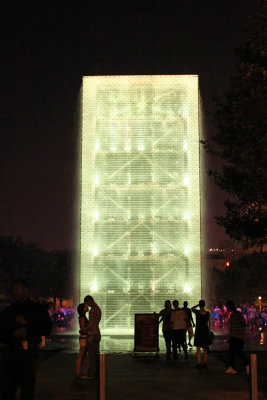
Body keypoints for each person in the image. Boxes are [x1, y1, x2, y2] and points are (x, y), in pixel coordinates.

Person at [0, 279, 52, 400]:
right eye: (13, 289)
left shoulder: (37, 310)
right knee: (6, 389)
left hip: (29, 354)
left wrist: (28, 327)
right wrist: (13, 335)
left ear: (25, 290)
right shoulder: (9, 311)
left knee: (27, 388)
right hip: (11, 353)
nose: (14, 292)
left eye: (17, 289)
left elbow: (47, 329)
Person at [224, 300, 249, 375]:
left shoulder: (238, 314)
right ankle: (232, 368)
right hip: (233, 336)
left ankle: (247, 364)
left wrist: (243, 335)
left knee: (239, 352)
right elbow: (231, 327)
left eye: (227, 306)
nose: (226, 308)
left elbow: (244, 324)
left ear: (229, 306)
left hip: (239, 336)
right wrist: (229, 336)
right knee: (231, 352)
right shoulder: (232, 315)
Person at [84, 295, 102, 379]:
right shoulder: (98, 308)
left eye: (87, 303)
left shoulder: (93, 310)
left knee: (91, 356)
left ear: (90, 301)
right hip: (97, 333)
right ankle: (96, 373)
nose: (87, 305)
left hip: (93, 334)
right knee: (95, 355)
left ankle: (91, 374)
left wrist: (84, 329)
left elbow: (92, 324)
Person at [191, 300, 210, 369]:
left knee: (198, 348)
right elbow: (208, 324)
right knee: (205, 348)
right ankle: (205, 363)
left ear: (199, 305)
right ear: (204, 305)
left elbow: (192, 308)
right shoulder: (208, 313)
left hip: (199, 331)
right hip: (205, 331)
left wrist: (197, 305)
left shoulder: (197, 312)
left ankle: (199, 363)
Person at [75, 303, 89, 379]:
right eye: (85, 306)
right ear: (82, 309)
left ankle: (82, 372)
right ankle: (78, 373)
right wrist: (91, 326)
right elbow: (83, 329)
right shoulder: (82, 318)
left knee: (83, 356)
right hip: (84, 338)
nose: (87, 307)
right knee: (81, 355)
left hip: (84, 337)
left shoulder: (84, 317)